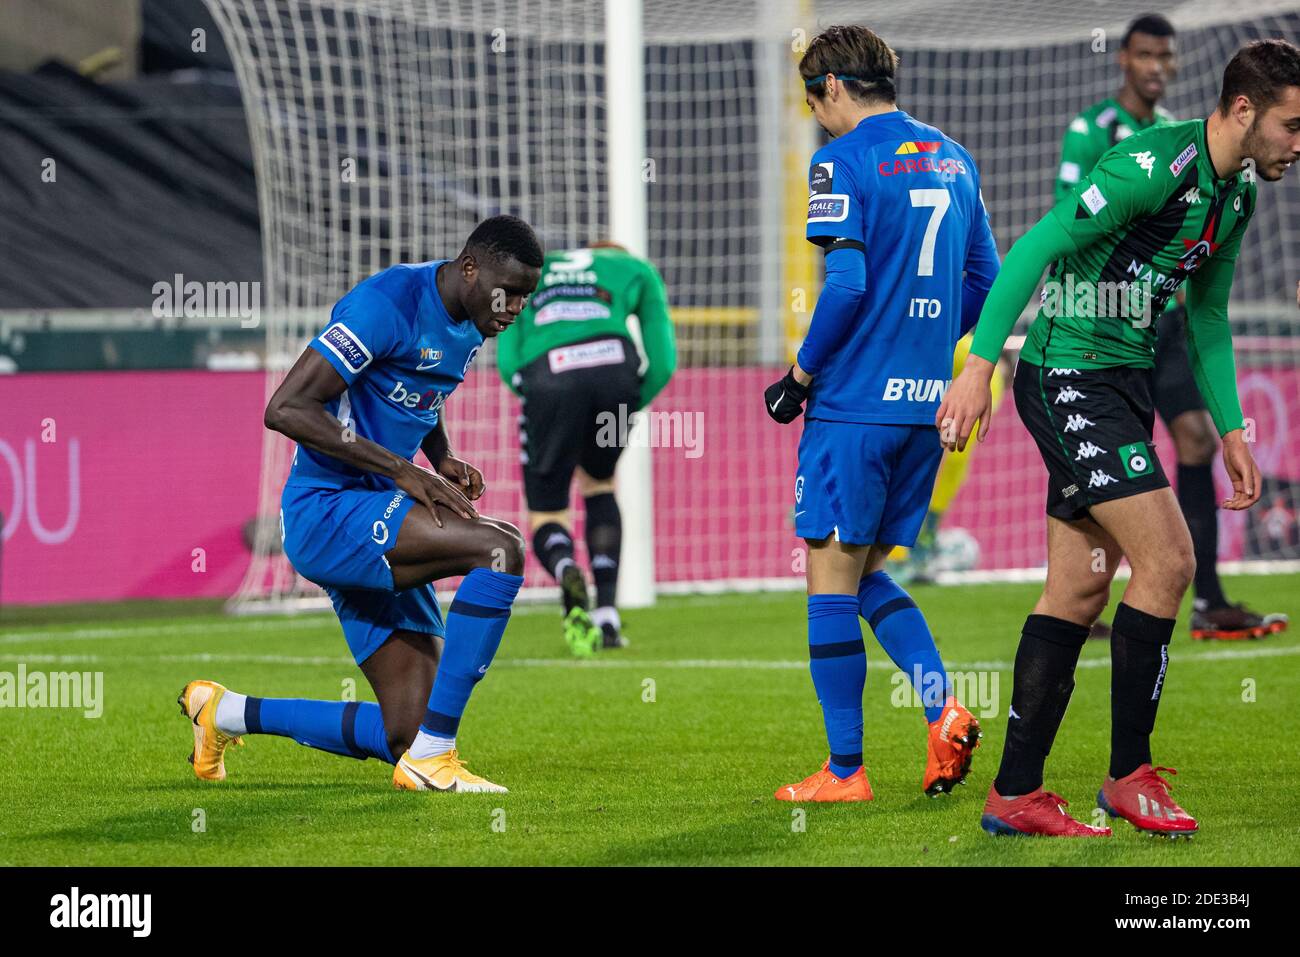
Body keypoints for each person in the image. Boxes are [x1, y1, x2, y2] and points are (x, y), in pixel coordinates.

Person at [940, 40, 1300, 836]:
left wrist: (1233, 428)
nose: (1299, 142)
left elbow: (1205, 317)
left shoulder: (1234, 197)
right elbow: (1037, 248)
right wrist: (977, 368)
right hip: (1066, 373)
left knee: (1076, 588)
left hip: (1123, 383)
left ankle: (1015, 793)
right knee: (1169, 560)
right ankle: (1129, 776)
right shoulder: (1148, 166)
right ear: (1244, 109)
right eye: (1293, 123)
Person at [178, 215, 544, 794]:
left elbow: (422, 388)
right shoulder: (385, 305)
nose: (515, 308)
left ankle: (222, 712)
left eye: (526, 297)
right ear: (470, 268)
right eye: (509, 292)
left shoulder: (473, 317)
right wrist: (404, 470)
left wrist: (440, 454)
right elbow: (287, 409)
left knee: (407, 729)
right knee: (500, 550)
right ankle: (436, 760)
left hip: (375, 513)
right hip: (327, 510)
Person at [765, 24, 998, 802]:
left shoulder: (841, 160)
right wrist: (922, 341)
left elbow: (848, 286)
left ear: (832, 87)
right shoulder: (955, 158)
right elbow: (987, 283)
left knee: (828, 581)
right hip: (923, 406)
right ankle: (943, 708)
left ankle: (844, 772)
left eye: (811, 101)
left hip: (854, 406)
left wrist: (800, 374)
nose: (814, 118)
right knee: (865, 575)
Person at [1054, 12, 1286, 641]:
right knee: (1103, 470)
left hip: (1169, 325)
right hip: (1099, 331)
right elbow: (1066, 231)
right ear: (1123, 60)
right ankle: (1086, 596)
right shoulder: (1095, 132)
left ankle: (1206, 596)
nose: (1159, 66)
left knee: (1195, 440)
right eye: (1147, 55)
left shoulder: (1186, 138)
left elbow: (1203, 279)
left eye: (1168, 56)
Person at [496, 243, 676, 655]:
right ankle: (608, 617)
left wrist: (535, 399)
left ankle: (566, 570)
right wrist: (632, 402)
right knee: (599, 483)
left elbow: (509, 357)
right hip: (616, 375)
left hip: (550, 375)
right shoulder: (636, 268)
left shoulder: (535, 270)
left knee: (547, 512)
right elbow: (664, 362)